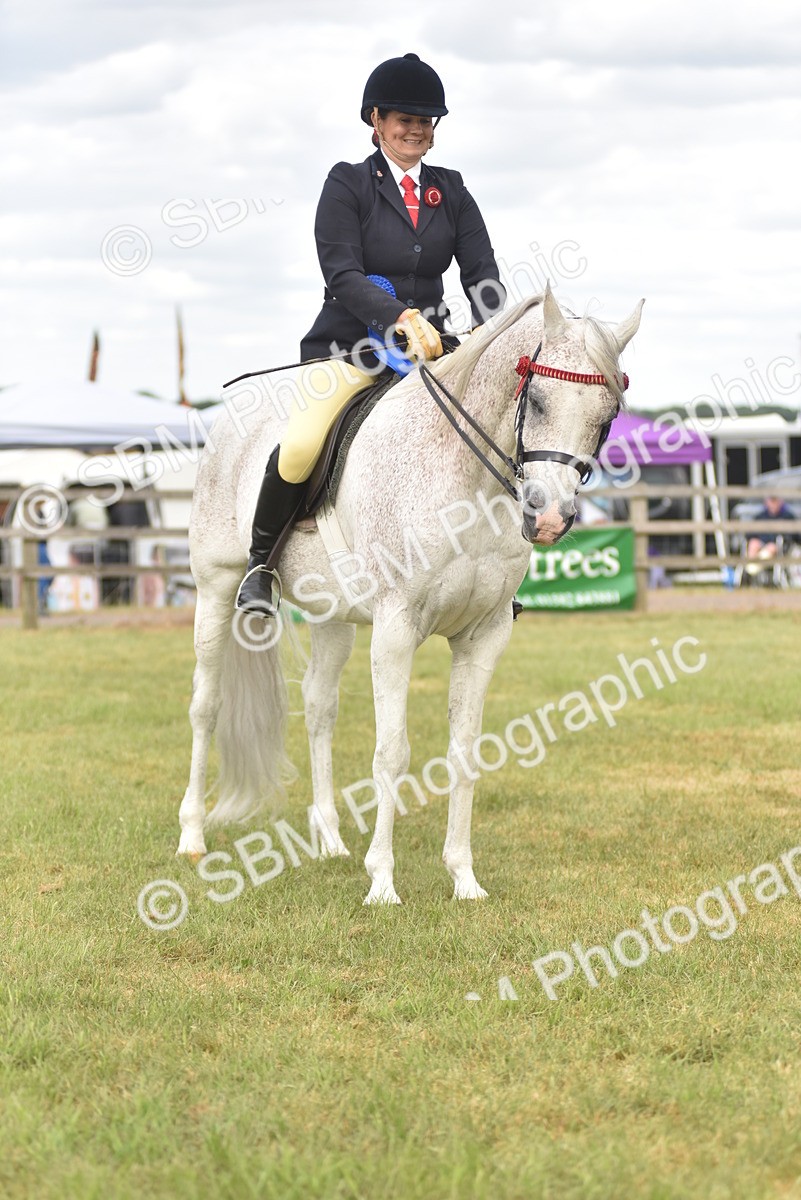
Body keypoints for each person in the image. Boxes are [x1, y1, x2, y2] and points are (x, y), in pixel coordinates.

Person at [236, 51, 507, 615]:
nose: (416, 129)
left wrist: (496, 330)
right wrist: (400, 317)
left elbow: (481, 274)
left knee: (496, 426)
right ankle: (260, 566)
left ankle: (494, 576)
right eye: (404, 118)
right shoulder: (348, 184)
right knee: (305, 438)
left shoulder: (451, 191)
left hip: (431, 350)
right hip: (349, 348)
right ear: (376, 120)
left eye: (426, 119)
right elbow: (342, 274)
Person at [745, 494, 796, 571]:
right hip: (762, 545)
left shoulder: (788, 517)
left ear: (780, 502)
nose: (773, 504)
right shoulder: (760, 517)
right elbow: (750, 534)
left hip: (779, 548)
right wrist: (756, 541)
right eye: (771, 501)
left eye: (775, 501)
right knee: (753, 543)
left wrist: (774, 544)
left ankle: (753, 568)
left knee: (772, 548)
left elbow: (792, 536)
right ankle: (751, 567)